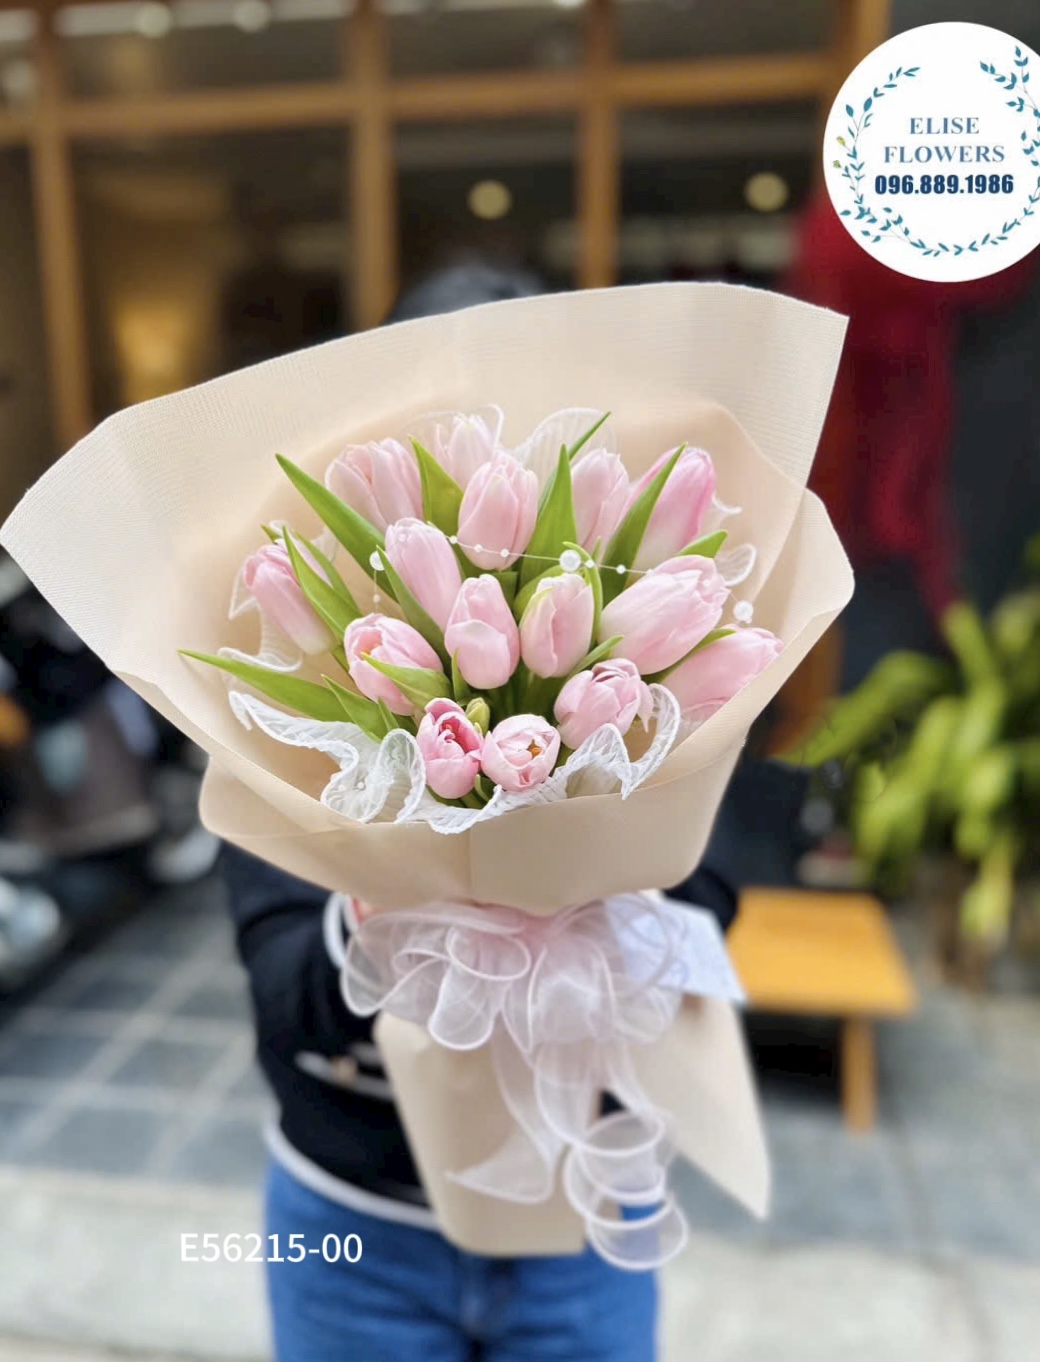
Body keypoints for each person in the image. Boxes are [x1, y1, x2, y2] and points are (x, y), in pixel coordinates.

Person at [219, 263, 740, 1362]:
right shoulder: (298, 693)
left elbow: (713, 897)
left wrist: (574, 890)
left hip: (583, 1215)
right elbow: (281, 993)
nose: (486, 463)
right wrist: (396, 909)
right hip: (344, 1221)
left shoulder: (666, 665)